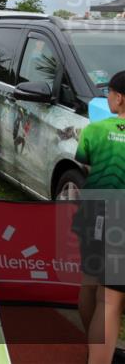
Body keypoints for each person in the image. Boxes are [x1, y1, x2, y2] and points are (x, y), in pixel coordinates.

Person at [75, 70, 125, 364]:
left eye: (109, 93)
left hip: (96, 213)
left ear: (119, 97)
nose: (107, 98)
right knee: (112, 298)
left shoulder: (94, 130)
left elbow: (88, 168)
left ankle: (95, 351)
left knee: (93, 286)